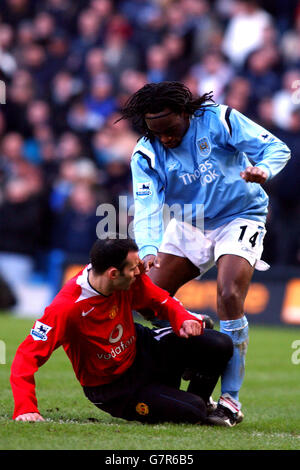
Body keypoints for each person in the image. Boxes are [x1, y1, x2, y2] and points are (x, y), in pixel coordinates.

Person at [119, 81, 291, 426]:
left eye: (170, 130)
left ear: (185, 113)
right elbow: (148, 205)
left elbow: (277, 149)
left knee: (228, 294)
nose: (165, 138)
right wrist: (150, 248)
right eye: (157, 132)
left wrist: (264, 170)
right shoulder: (146, 152)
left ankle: (230, 401)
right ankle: (195, 329)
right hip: (190, 222)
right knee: (145, 299)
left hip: (239, 215)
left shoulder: (220, 119)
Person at [10, 237, 233, 425]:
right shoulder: (66, 308)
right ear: (113, 274)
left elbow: (161, 299)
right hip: (114, 388)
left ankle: (199, 397)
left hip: (143, 349)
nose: (141, 271)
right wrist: (25, 407)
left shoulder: (130, 279)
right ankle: (190, 399)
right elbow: (26, 356)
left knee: (220, 344)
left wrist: (183, 318)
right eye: (134, 267)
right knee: (192, 411)